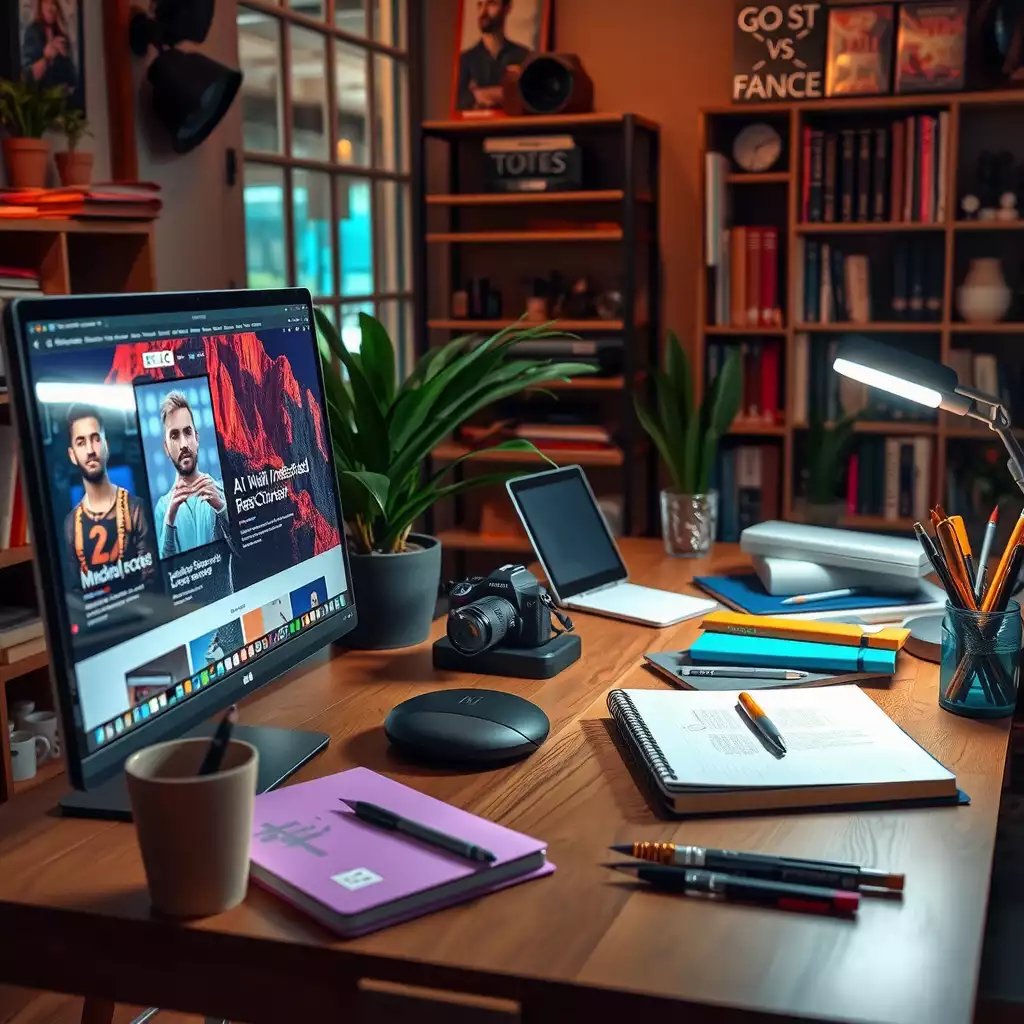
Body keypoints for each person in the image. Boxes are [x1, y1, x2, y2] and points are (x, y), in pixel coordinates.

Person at [63, 404, 155, 591]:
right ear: (72, 455)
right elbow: (76, 591)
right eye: (81, 442)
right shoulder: (71, 524)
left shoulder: (135, 509)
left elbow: (151, 579)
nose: (90, 450)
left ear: (106, 445)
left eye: (95, 439)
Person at [153, 391, 232, 558]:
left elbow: (243, 553)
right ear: (166, 448)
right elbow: (167, 573)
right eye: (174, 436)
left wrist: (221, 507)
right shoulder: (162, 508)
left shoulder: (221, 491)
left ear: (196, 438)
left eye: (187, 432)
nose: (183, 444)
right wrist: (170, 517)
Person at [457, 0, 532, 111]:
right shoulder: (466, 59)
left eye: (492, 3)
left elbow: (530, 99)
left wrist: (482, 94)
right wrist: (505, 94)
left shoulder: (524, 56)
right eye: (480, 4)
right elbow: (459, 102)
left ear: (507, 8)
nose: (483, 11)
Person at [21, 0, 77, 93]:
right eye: (46, 2)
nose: (50, 8)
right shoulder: (33, 33)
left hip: (61, 100)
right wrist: (46, 58)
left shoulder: (60, 35)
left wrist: (65, 57)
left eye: (54, 3)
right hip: (40, 101)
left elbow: (73, 80)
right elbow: (26, 78)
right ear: (40, 6)